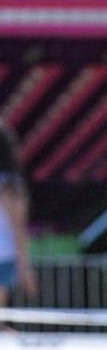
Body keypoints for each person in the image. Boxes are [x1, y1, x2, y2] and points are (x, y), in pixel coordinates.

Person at [0, 123, 36, 310]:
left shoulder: (7, 186)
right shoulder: (11, 185)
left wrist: (24, 267)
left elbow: (17, 227)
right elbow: (18, 227)